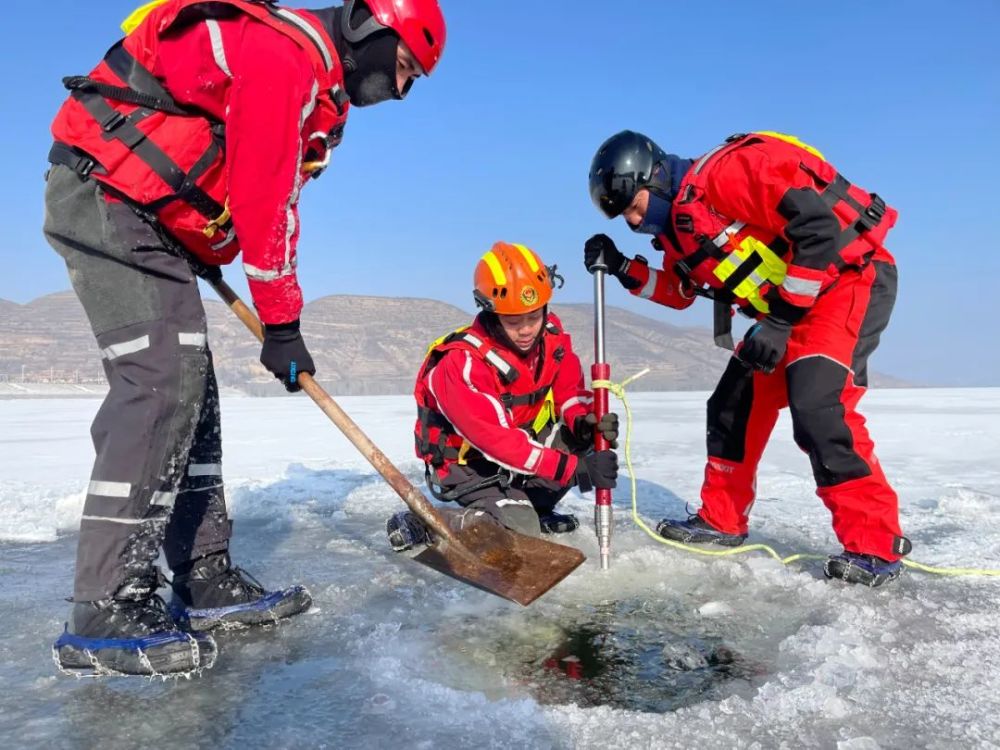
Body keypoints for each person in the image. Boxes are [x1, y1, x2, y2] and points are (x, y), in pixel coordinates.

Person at [42, 0, 446, 676]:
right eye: (402, 66)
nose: (400, 90)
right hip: (104, 193)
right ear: (369, 29)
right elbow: (264, 194)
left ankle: (202, 576)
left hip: (148, 214)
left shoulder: (313, 87)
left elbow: (250, 188)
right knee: (161, 379)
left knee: (192, 388)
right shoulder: (281, 59)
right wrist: (282, 322)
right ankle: (104, 602)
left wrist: (201, 237)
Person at [584, 130, 910, 587]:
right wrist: (624, 268)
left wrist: (778, 323)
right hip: (789, 308)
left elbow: (817, 230)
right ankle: (722, 520)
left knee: (818, 409)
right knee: (731, 407)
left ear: (653, 176)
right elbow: (681, 294)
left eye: (635, 206)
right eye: (625, 219)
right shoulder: (679, 229)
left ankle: (877, 546)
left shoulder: (727, 174)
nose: (635, 223)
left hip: (847, 284)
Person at [386, 242, 619, 551]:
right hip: (469, 467)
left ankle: (530, 507)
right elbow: (496, 440)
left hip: (515, 459)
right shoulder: (462, 364)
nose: (526, 330)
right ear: (491, 312)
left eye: (533, 317)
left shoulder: (550, 339)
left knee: (584, 438)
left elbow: (569, 392)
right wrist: (571, 469)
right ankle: (429, 523)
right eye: (513, 322)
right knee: (519, 531)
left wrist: (583, 422)